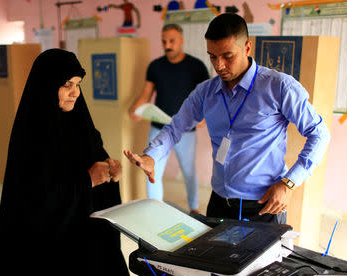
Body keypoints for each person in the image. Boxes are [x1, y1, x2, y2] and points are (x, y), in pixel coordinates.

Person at [124, 13, 331, 224]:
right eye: (212, 56)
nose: (219, 65)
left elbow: (319, 134)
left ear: (247, 48)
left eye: (227, 56)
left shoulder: (278, 87)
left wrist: (289, 183)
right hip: (219, 203)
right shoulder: (206, 92)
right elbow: (175, 127)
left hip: (263, 205)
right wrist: (152, 155)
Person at [0, 49, 134, 276]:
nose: (75, 92)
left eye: (77, 84)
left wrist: (110, 172)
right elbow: (33, 202)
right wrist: (87, 180)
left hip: (88, 240)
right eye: (66, 84)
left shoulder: (82, 124)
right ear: (47, 85)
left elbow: (96, 160)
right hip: (52, 251)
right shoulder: (31, 135)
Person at [128, 23, 209, 214]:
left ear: (181, 41)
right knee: (151, 169)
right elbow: (146, 93)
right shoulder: (156, 66)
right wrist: (136, 109)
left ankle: (194, 208)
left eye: (172, 40)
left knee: (189, 172)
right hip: (159, 127)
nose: (167, 45)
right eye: (164, 41)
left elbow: (207, 97)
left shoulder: (196, 66)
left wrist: (204, 116)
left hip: (186, 129)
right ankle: (155, 210)